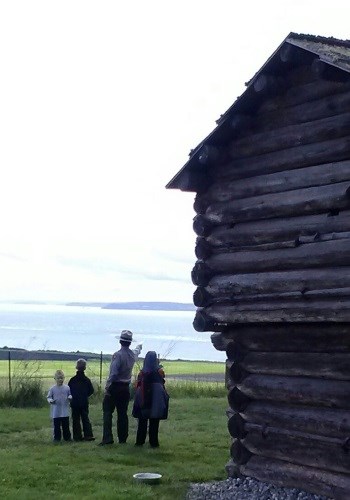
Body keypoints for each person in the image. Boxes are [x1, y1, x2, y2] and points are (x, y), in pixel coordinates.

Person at [99, 330, 142, 445]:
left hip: (115, 386)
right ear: (129, 343)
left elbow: (113, 373)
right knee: (122, 413)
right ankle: (123, 438)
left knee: (107, 412)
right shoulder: (132, 355)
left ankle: (107, 438)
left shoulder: (117, 355)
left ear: (120, 341)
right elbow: (137, 351)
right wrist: (140, 347)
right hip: (125, 388)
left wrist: (107, 386)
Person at [132, 351, 169, 448]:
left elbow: (137, 384)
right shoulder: (159, 371)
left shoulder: (142, 372)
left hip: (143, 394)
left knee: (142, 419)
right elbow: (162, 378)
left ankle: (139, 441)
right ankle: (153, 442)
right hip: (157, 395)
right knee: (154, 420)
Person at [68, 358, 95, 441]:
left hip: (75, 402)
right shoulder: (87, 380)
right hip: (84, 402)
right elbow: (91, 390)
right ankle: (88, 435)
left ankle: (77, 436)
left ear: (76, 367)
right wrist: (85, 395)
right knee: (85, 418)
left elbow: (69, 390)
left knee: (75, 419)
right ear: (85, 368)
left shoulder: (72, 380)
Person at [47, 369, 72, 443]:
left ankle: (67, 438)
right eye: (58, 378)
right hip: (56, 411)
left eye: (61, 378)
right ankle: (57, 438)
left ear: (64, 378)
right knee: (57, 426)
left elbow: (70, 394)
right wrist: (51, 401)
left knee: (66, 425)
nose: (60, 380)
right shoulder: (52, 389)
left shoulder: (67, 388)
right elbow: (49, 397)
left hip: (65, 410)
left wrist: (70, 397)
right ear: (55, 379)